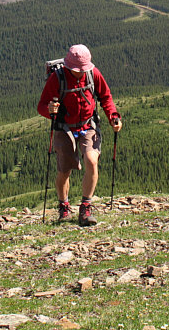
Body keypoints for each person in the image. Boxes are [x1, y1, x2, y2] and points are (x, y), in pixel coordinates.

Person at [37, 44, 122, 225]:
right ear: (68, 66)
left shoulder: (93, 74)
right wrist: (49, 111)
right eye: (77, 69)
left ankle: (85, 207)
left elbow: (105, 97)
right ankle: (64, 206)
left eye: (82, 69)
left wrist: (113, 117)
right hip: (64, 127)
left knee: (91, 160)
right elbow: (41, 105)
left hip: (87, 124)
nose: (80, 72)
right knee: (65, 171)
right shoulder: (56, 78)